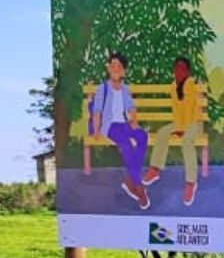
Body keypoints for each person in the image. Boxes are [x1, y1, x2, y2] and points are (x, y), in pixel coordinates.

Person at [88, 52, 155, 209]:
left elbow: (131, 108)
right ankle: (139, 188)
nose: (115, 69)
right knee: (126, 144)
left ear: (124, 71)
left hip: (124, 124)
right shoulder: (103, 88)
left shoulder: (125, 89)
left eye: (118, 66)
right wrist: (96, 131)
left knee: (142, 136)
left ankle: (131, 180)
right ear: (108, 69)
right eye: (112, 65)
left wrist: (135, 124)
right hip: (109, 126)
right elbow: (97, 111)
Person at [150, 57, 210, 207]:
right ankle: (155, 169)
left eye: (183, 68)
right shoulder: (173, 86)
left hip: (195, 122)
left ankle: (191, 183)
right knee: (162, 132)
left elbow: (190, 109)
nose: (179, 71)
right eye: (177, 68)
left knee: (186, 142)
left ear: (188, 71)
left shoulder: (191, 84)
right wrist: (178, 127)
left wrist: (183, 129)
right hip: (181, 122)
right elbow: (176, 110)